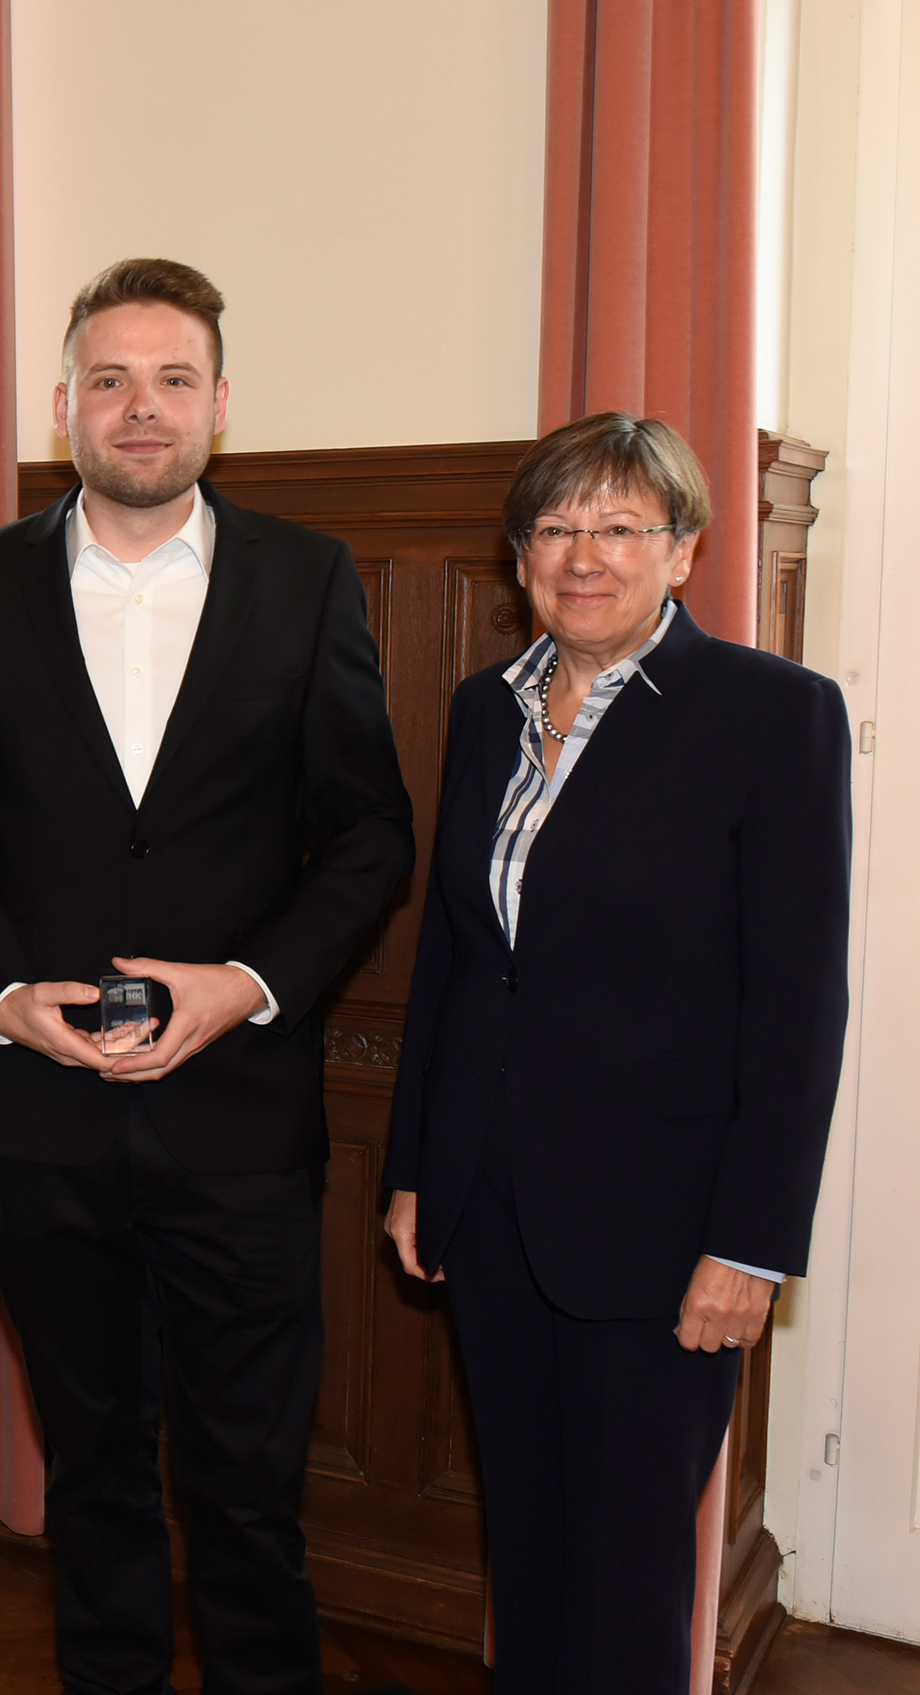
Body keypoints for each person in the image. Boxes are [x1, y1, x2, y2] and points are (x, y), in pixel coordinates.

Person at [0, 258, 415, 1694]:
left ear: (221, 406)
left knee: (250, 1496)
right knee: (98, 1475)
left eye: (172, 377)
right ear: (65, 404)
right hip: (47, 1125)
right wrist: (8, 1000)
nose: (142, 406)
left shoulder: (303, 577)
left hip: (241, 1120)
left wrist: (247, 981)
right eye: (110, 378)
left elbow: (372, 830)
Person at [384, 413, 851, 1694]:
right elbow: (460, 959)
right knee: (526, 1545)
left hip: (665, 1234)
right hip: (488, 1210)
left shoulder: (774, 716)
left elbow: (800, 1001)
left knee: (631, 1573)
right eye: (554, 526)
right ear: (520, 552)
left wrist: (750, 1245)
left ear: (685, 551)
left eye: (618, 526)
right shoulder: (489, 708)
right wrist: (420, 1167)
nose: (581, 554)